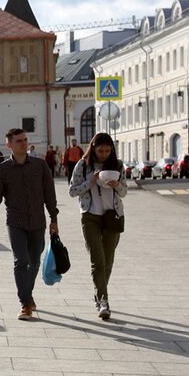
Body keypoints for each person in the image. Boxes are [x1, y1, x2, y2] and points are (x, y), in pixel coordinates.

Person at [0, 127, 59, 321]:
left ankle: (28, 293)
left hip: (38, 222)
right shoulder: (2, 170)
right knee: (20, 261)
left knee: (34, 262)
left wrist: (54, 219)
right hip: (15, 222)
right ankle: (25, 303)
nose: (24, 143)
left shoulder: (40, 166)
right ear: (9, 144)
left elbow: (49, 194)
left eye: (25, 140)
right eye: (19, 141)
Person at [67, 132, 126, 321]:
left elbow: (124, 192)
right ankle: (103, 301)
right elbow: (72, 191)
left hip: (112, 217)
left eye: (107, 151)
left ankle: (99, 293)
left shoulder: (118, 165)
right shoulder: (83, 165)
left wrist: (117, 185)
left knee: (108, 262)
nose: (104, 155)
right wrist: (90, 182)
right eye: (100, 151)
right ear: (93, 149)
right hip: (90, 216)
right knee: (97, 261)